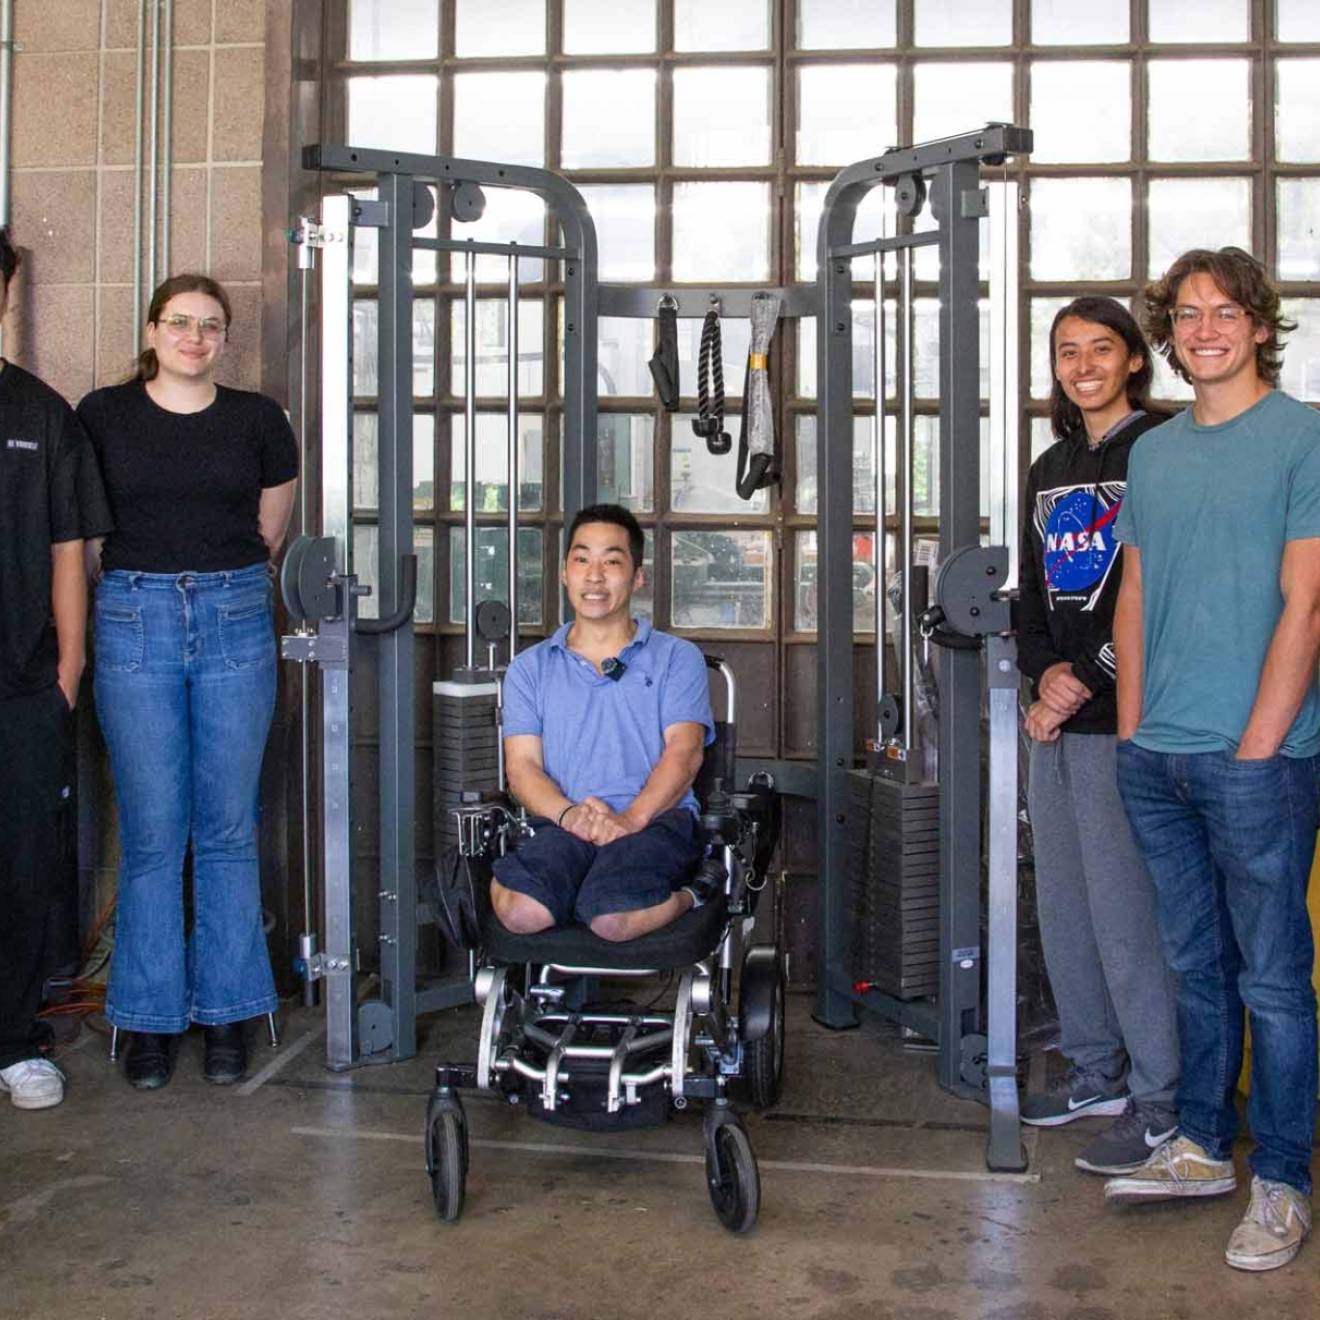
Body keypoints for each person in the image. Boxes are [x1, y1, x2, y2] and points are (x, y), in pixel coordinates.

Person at [1106, 247, 1319, 1273]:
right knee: (1197, 969)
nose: (1204, 329)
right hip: (1161, 758)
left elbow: (1307, 602)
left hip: (1260, 764)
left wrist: (1260, 744)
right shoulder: (1153, 452)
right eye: (1185, 315)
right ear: (1170, 333)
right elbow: (1135, 593)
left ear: (1260, 325)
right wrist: (1138, 730)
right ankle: (1198, 1145)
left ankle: (1280, 1179)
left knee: (1274, 981)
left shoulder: (1305, 437)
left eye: (1224, 311)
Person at [77, 274, 297, 1090]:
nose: (195, 338)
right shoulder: (102, 414)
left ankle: (228, 1011)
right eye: (180, 323)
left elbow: (269, 527)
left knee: (229, 826)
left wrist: (213, 579)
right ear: (152, 330)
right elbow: (88, 535)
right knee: (152, 833)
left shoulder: (258, 420)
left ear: (224, 338)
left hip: (236, 611)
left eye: (211, 326)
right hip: (135, 615)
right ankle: (148, 1020)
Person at [1015, 297, 1181, 1175]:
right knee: (1065, 909)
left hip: (1123, 719)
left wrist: (1086, 678)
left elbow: (1156, 590)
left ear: (1132, 362)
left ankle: (1159, 1101)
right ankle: (1095, 1074)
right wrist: (1041, 674)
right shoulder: (1048, 466)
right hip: (1056, 719)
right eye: (1067, 352)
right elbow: (1033, 594)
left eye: (1100, 349)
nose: (1083, 365)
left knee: (1126, 916)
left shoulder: (1160, 450)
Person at [0, 230, 114, 1110]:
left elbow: (69, 549)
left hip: (23, 682)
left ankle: (12, 1038)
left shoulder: (41, 416)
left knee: (22, 862)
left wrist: (69, 667)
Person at [492, 503, 716, 941]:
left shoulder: (677, 658)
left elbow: (685, 754)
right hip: (563, 822)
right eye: (582, 560)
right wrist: (571, 816)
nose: (594, 576)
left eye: (611, 561)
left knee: (611, 920)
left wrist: (629, 820)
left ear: (637, 577)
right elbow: (522, 770)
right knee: (520, 913)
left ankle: (695, 893)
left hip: (654, 821)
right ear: (564, 573)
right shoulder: (530, 668)